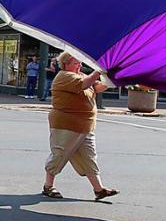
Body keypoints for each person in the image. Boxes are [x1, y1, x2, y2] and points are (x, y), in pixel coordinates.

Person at [42, 51, 117, 201]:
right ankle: (48, 186)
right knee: (59, 154)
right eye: (76, 63)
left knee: (89, 157)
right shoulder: (64, 76)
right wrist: (99, 71)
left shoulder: (81, 75)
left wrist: (110, 80)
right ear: (66, 64)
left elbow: (97, 87)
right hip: (66, 124)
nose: (79, 65)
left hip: (85, 126)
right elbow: (85, 84)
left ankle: (99, 189)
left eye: (80, 63)